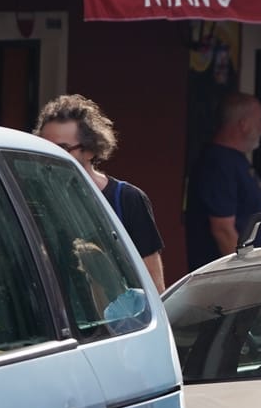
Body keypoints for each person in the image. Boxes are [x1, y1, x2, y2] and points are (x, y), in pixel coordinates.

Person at [35, 93, 166, 292]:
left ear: (90, 149)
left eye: (62, 148)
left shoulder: (127, 199)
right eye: (44, 147)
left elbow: (154, 286)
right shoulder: (33, 199)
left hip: (117, 319)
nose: (50, 156)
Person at [186, 92, 261, 269]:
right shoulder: (218, 164)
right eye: (260, 120)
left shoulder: (234, 160)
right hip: (233, 284)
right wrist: (245, 272)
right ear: (243, 124)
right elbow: (223, 230)